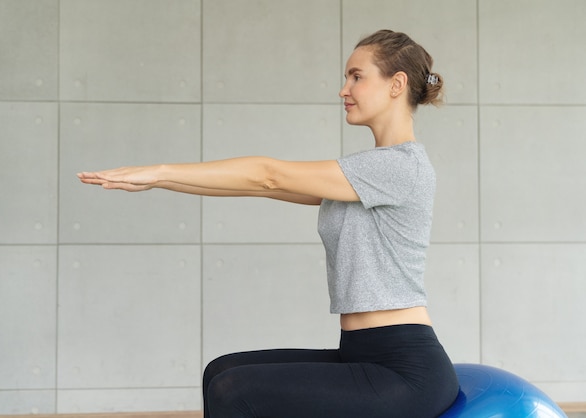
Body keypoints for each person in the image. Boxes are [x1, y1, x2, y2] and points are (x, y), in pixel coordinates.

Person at [78, 29, 459, 418]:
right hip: (362, 352)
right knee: (221, 371)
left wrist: (157, 170)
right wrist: (161, 182)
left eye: (356, 77)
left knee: (234, 389)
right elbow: (261, 188)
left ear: (397, 84)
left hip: (405, 368)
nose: (344, 89)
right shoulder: (362, 173)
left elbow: (268, 176)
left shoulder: (399, 166)